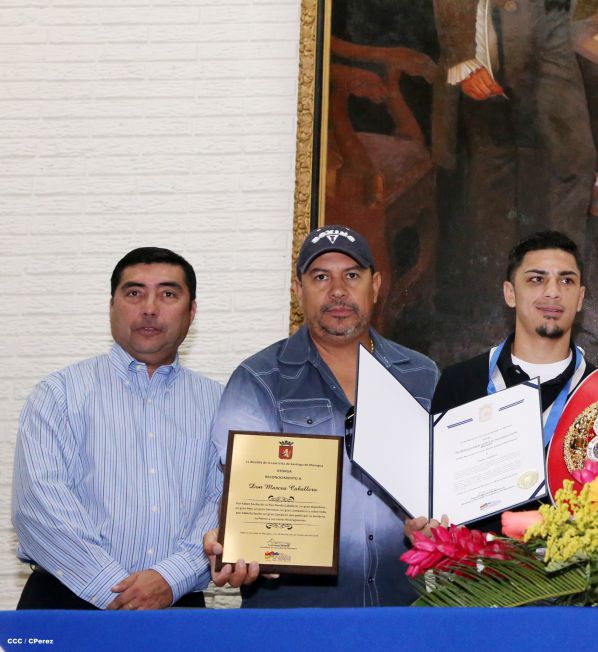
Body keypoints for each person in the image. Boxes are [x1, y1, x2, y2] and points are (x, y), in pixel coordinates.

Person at [205, 225, 439, 607]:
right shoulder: (259, 379)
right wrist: (244, 545)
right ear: (299, 290)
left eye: (351, 275)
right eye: (320, 277)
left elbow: (442, 485)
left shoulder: (422, 375)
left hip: (401, 610)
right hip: (291, 618)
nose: (337, 291)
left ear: (375, 285)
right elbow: (244, 498)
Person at [11, 247, 222, 610]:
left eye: (168, 294)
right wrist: (119, 591)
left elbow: (223, 503)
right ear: (111, 306)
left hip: (177, 604)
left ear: (192, 312)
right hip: (66, 601)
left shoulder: (221, 403)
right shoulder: (59, 394)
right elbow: (39, 506)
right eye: (134, 292)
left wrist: (170, 579)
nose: (150, 308)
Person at [426, 231, 595, 530]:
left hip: (576, 574)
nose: (553, 292)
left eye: (566, 280)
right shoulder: (459, 382)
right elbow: (434, 488)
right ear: (510, 293)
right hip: (476, 571)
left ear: (580, 298)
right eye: (536, 279)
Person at [432, 0, 596, 289]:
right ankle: (494, 296)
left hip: (553, 19)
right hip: (489, 24)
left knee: (573, 160)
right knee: (495, 171)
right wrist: (463, 57)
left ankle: (562, 282)